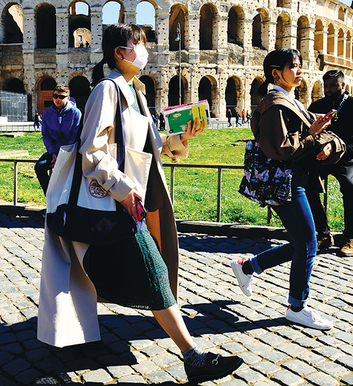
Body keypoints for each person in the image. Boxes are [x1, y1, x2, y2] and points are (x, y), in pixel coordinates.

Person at [38, 24, 243, 383]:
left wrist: (179, 138)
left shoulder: (137, 93)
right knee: (154, 272)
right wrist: (121, 188)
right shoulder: (107, 89)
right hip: (115, 202)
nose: (144, 50)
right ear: (120, 52)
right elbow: (92, 150)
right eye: (139, 44)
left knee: (147, 272)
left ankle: (185, 354)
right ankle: (193, 356)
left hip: (131, 201)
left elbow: (148, 146)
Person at [230, 48, 345, 330]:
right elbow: (282, 149)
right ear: (276, 73)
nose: (300, 70)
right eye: (293, 66)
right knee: (308, 242)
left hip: (296, 180)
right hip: (286, 182)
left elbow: (312, 136)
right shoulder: (275, 104)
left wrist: (329, 143)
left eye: (299, 64)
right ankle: (297, 306)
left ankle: (248, 267)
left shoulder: (289, 101)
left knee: (300, 243)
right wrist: (313, 135)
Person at [307, 70, 353, 256]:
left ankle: (350, 237)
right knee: (308, 184)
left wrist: (342, 151)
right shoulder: (317, 105)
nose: (328, 89)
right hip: (321, 156)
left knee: (350, 187)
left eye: (333, 85)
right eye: (325, 85)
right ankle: (324, 234)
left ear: (343, 85)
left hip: (347, 157)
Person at [34, 85, 81, 194]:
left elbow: (75, 136)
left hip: (71, 152)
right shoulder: (46, 113)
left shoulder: (76, 113)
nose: (57, 99)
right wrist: (53, 153)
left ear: (68, 98)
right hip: (54, 151)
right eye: (55, 96)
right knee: (39, 167)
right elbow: (45, 135)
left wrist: (63, 154)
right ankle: (51, 195)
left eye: (61, 97)